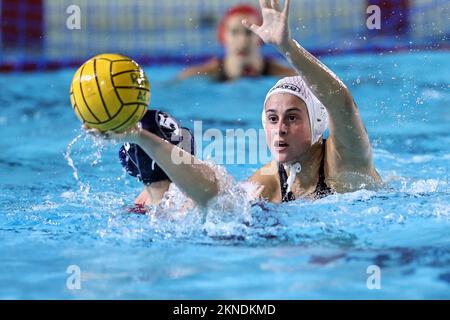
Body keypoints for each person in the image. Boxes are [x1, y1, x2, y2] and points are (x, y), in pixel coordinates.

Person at [87, 0, 381, 207]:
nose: (280, 129)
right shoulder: (271, 180)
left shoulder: (344, 162)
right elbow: (216, 200)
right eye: (272, 118)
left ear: (317, 123)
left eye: (292, 118)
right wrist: (155, 183)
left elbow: (341, 104)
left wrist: (287, 48)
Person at [176, 4, 296, 81]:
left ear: (261, 36)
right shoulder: (202, 73)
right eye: (234, 32)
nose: (242, 40)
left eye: (249, 32)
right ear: (223, 36)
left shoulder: (281, 73)